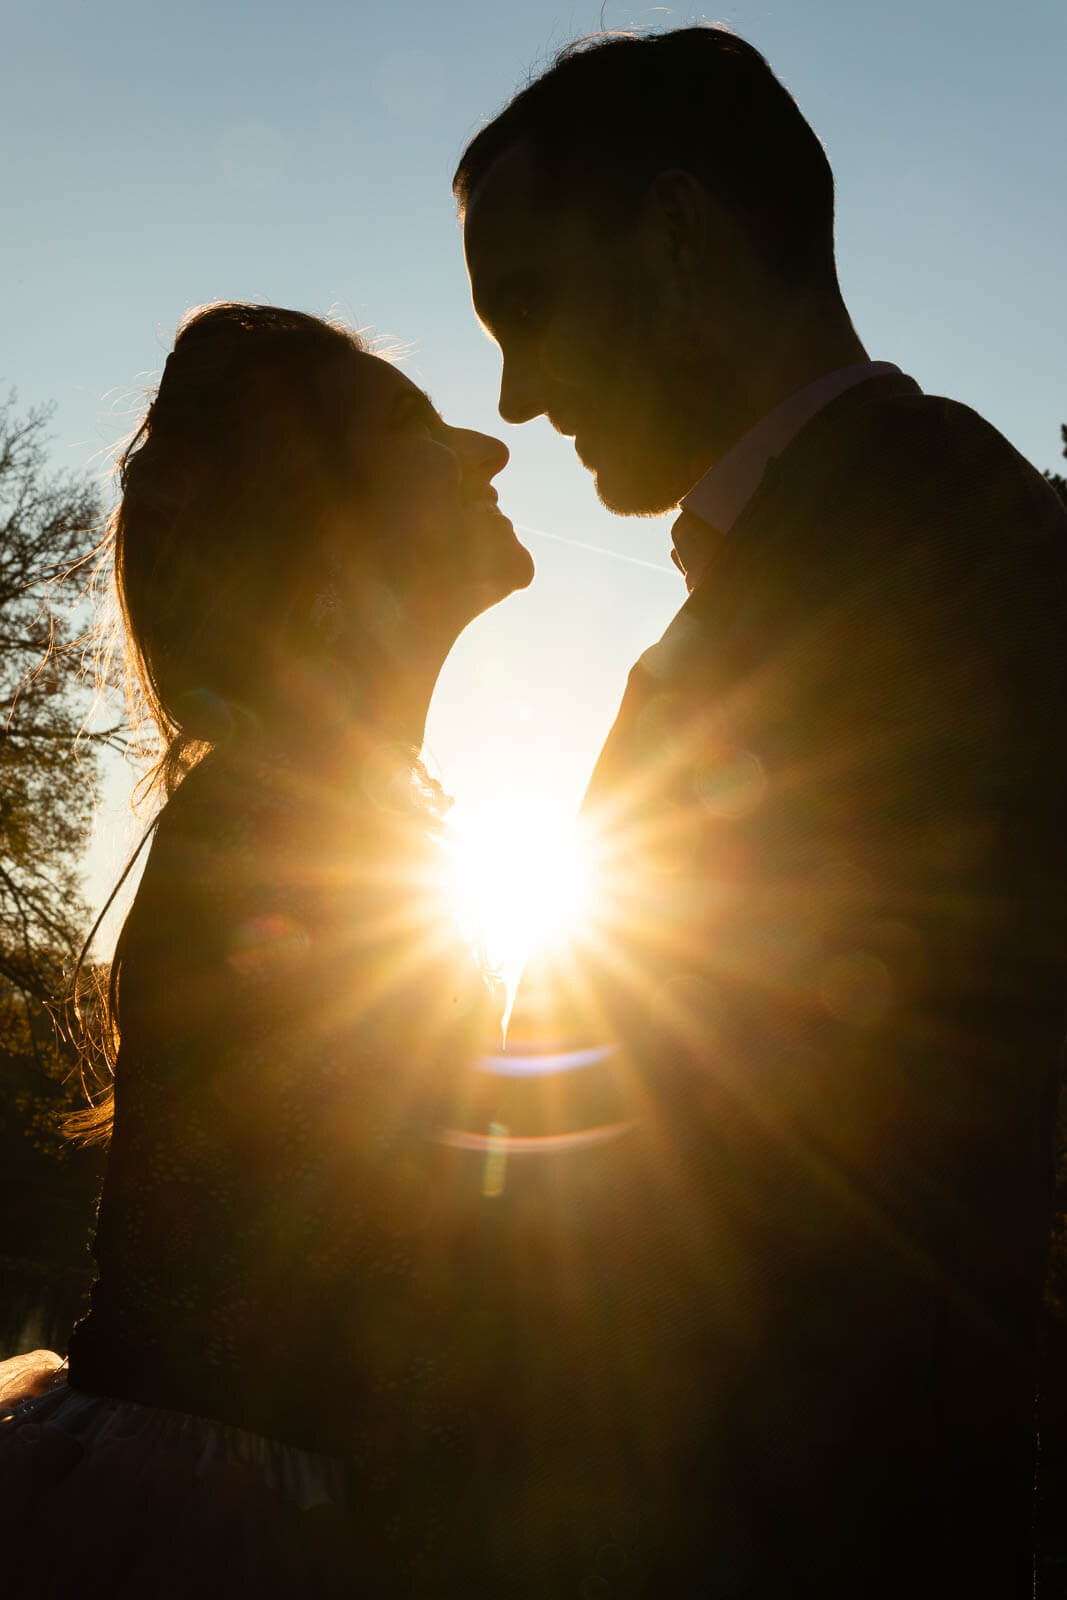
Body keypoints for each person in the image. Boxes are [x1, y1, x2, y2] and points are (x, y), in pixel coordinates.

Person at [455, 26, 1067, 1597]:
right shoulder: (862, 533)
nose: (515, 396)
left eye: (525, 305)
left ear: (674, 235)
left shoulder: (919, 550)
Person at [0, 302, 535, 1597]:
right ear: (335, 547)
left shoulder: (336, 821)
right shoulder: (286, 834)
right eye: (423, 437)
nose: (488, 453)